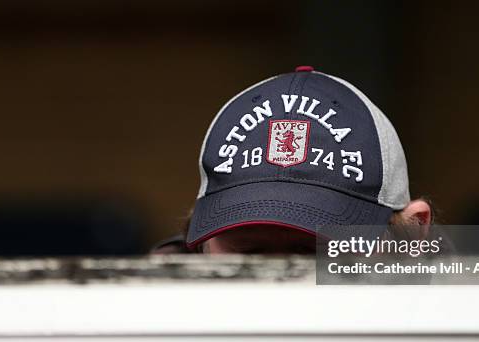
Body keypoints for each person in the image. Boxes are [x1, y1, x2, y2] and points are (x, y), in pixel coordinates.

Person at [153, 66, 432, 255]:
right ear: (200, 246)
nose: (277, 289)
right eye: (251, 255)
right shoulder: (145, 326)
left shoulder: (466, 328)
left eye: (311, 254)